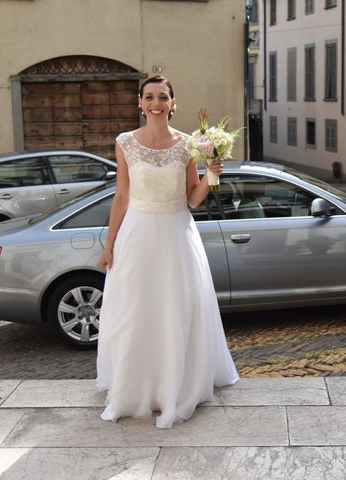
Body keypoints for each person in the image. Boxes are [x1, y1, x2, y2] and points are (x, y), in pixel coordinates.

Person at [95, 75, 239, 429]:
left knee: (177, 310)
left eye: (163, 97)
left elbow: (192, 197)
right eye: (149, 97)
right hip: (137, 236)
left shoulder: (188, 144)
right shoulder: (125, 143)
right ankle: (135, 389)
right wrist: (109, 245)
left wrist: (212, 175)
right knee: (135, 311)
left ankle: (177, 385)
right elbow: (121, 197)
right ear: (139, 103)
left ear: (174, 103)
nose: (156, 103)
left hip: (176, 234)